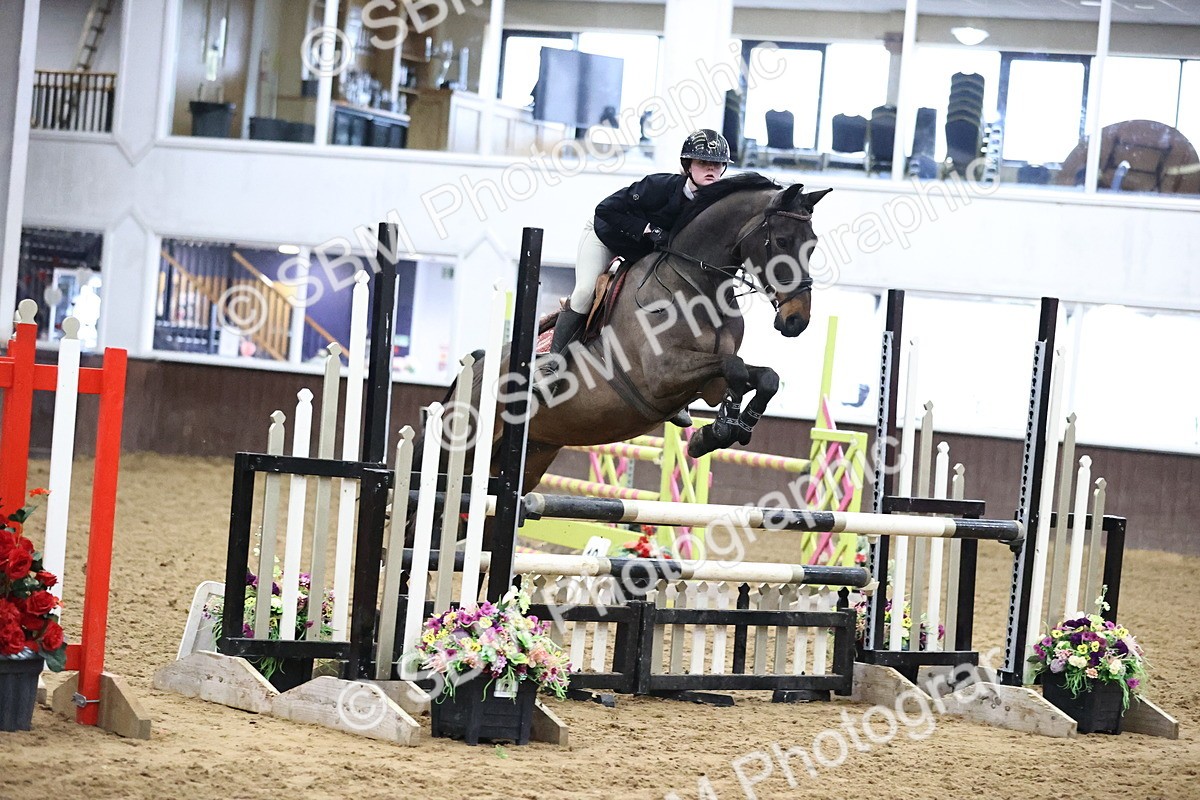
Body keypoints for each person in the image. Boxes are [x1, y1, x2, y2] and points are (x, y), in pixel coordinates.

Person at [535, 129, 733, 424]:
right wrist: (648, 229)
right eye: (704, 163)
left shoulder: (713, 205)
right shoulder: (659, 186)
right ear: (687, 165)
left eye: (716, 165)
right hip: (606, 237)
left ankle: (678, 392)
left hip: (644, 254)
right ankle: (551, 364)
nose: (711, 170)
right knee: (586, 291)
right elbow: (606, 209)